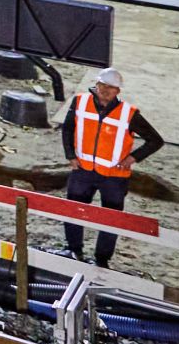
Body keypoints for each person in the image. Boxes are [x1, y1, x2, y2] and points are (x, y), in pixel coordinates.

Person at [58, 67, 163, 267]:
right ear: (96, 86)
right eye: (102, 86)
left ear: (118, 91)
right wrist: (70, 155)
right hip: (83, 170)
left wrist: (132, 158)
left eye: (111, 88)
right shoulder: (80, 102)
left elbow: (155, 140)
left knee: (111, 219)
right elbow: (68, 129)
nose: (105, 90)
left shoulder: (128, 114)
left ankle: (102, 260)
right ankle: (73, 250)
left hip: (114, 176)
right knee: (73, 210)